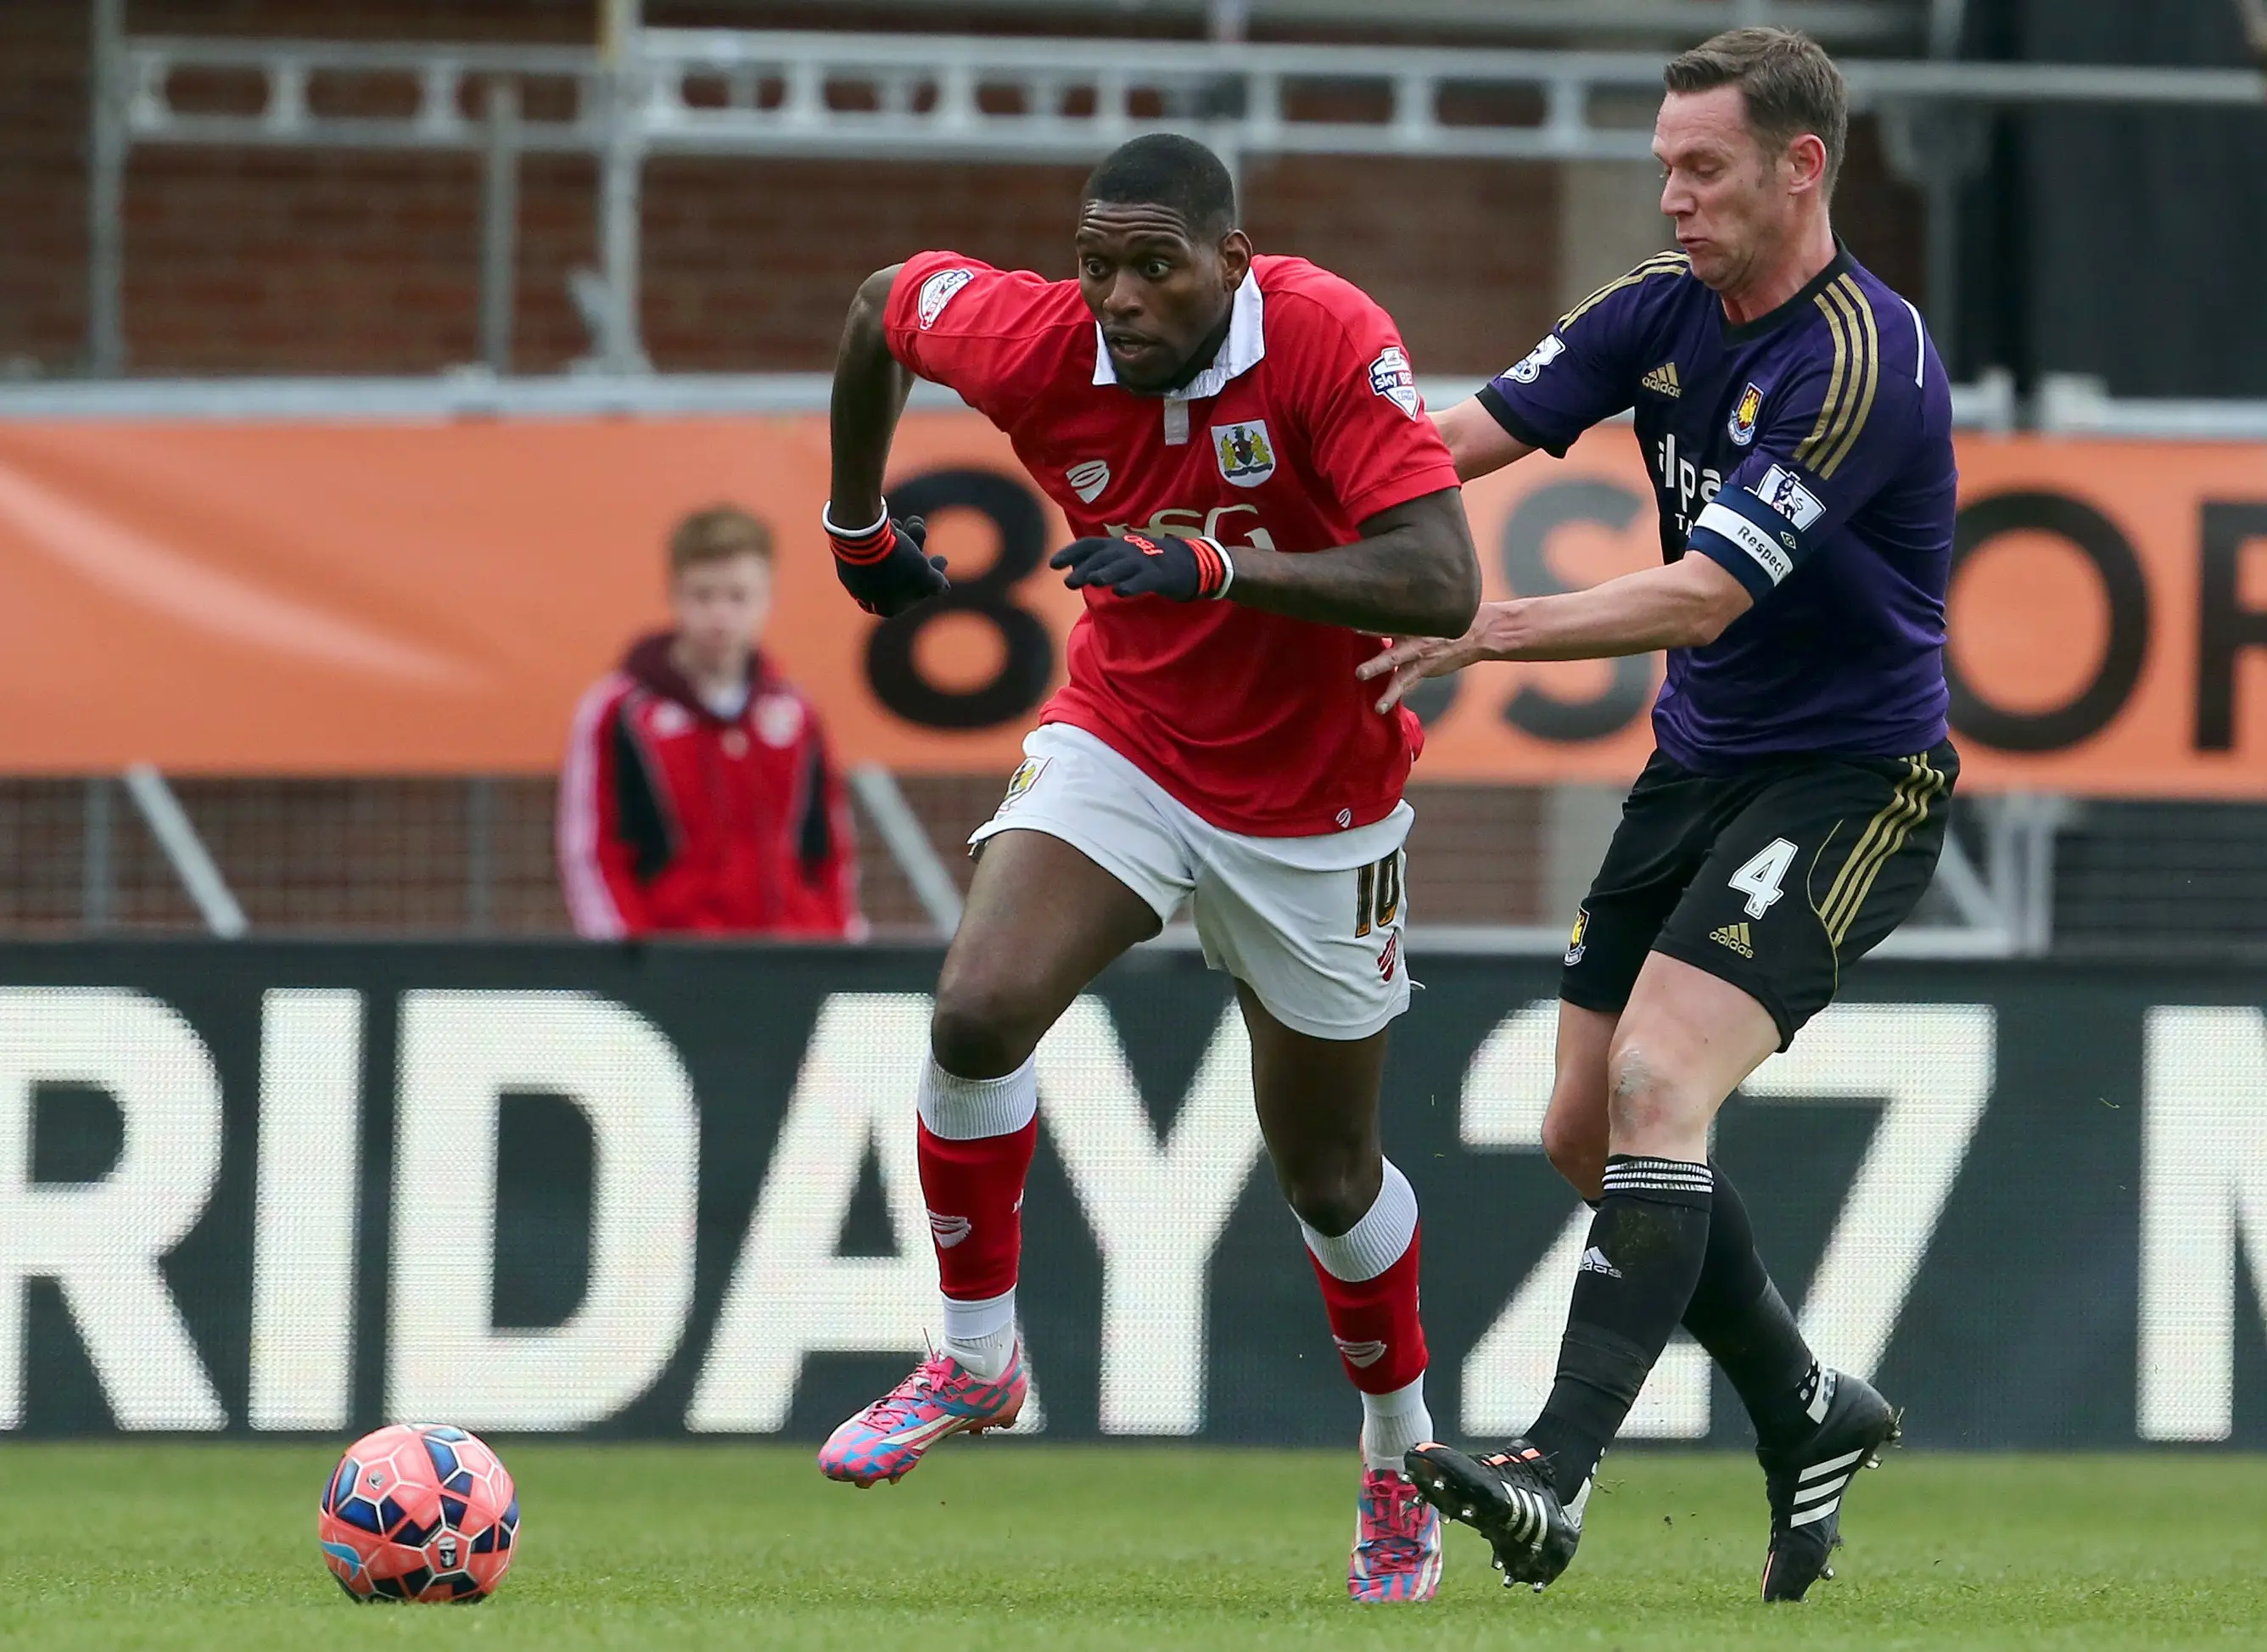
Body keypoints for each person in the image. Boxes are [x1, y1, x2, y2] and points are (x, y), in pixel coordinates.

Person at [815, 132, 1481, 1601]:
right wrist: (856, 522)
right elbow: (879, 306)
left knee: (1326, 1173)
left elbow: (1443, 578)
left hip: (1319, 804)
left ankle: (1396, 1453)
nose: (1116, 295)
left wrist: (1220, 568)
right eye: (1096, 262)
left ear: (1230, 264)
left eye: (1152, 265)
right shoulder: (1041, 339)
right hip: (1128, 741)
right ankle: (975, 1359)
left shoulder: (1322, 334)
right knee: (976, 1008)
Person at [1363, 27, 1956, 1603]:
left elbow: (1701, 595)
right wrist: (1291, 519)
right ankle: (1803, 1404)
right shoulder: (1655, 309)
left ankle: (1550, 1470)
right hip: (1698, 769)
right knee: (1585, 1130)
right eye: (1663, 169)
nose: (1675, 197)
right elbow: (1454, 442)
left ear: (1798, 166)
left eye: (1702, 169)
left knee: (1652, 1075)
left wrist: (1476, 628)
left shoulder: (1857, 361)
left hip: (1851, 782)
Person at [558, 504, 862, 940]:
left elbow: (830, 849)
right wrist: (631, 959)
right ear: (674, 595)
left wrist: (835, 945)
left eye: (738, 596)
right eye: (703, 596)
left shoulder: (796, 712)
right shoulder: (619, 710)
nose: (720, 616)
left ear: (768, 599)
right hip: (674, 965)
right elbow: (592, 852)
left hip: (794, 957)